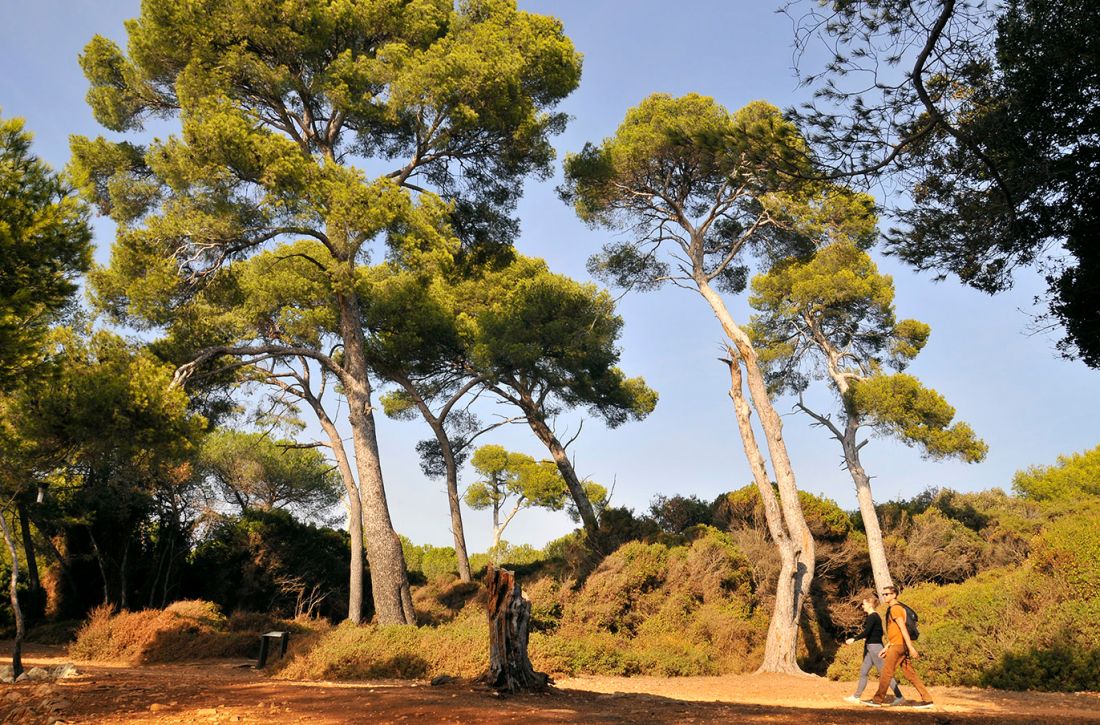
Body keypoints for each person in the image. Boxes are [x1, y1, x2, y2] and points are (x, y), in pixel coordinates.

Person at [864, 585, 934, 709]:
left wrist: (911, 647)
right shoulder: (893, 609)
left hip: (898, 646)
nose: (884, 596)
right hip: (897, 644)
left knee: (886, 672)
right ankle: (927, 699)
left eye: (887, 594)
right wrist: (886, 647)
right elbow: (895, 633)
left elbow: (903, 629)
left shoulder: (895, 609)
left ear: (894, 595)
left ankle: (877, 700)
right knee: (910, 674)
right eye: (883, 594)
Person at [843, 595, 903, 704]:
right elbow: (877, 632)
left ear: (870, 605)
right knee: (863, 672)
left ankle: (899, 696)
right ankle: (856, 697)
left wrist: (854, 639)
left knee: (885, 673)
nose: (862, 606)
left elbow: (867, 632)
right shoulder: (875, 617)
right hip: (871, 647)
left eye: (864, 604)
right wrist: (868, 638)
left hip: (875, 648)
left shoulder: (872, 617)